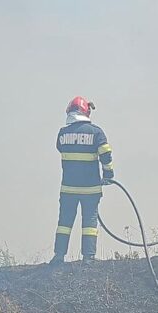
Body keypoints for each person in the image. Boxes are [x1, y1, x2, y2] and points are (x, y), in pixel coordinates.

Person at [50, 96, 114, 265]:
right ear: (87, 112)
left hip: (68, 189)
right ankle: (88, 258)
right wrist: (108, 176)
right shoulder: (97, 132)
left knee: (64, 222)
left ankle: (58, 256)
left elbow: (60, 148)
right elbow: (106, 156)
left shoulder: (62, 133)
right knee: (89, 223)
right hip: (90, 189)